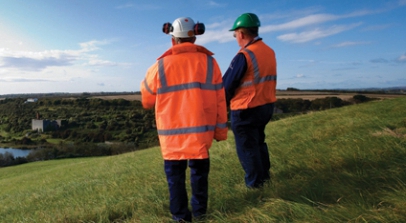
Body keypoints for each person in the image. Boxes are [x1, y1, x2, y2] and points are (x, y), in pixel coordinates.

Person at [140, 17, 228, 222]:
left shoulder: (160, 66)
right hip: (200, 136)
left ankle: (180, 217)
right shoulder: (210, 63)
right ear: (194, 37)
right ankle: (200, 214)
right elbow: (220, 99)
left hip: (172, 139)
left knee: (175, 180)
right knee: (199, 176)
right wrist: (220, 131)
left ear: (173, 39)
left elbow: (146, 98)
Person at [222, 13, 277, 188]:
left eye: (235, 34)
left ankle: (255, 185)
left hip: (246, 108)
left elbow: (226, 86)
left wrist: (218, 107)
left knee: (247, 147)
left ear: (242, 34)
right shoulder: (268, 51)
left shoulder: (244, 55)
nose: (236, 38)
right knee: (259, 142)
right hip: (266, 105)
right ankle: (265, 178)